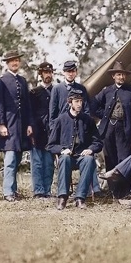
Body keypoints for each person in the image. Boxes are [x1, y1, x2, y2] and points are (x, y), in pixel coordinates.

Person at [49, 59, 102, 197]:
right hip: (63, 130)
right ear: (63, 73)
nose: (70, 74)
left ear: (76, 72)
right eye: (68, 71)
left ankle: (92, 190)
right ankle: (63, 194)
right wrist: (56, 130)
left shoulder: (81, 89)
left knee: (88, 156)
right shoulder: (57, 88)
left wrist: (84, 125)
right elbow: (52, 113)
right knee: (65, 159)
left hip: (80, 127)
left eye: (72, 71)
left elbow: (87, 110)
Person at [46, 88, 103, 210]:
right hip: (68, 158)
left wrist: (91, 149)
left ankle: (80, 198)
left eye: (81, 101)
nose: (79, 104)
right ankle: (62, 197)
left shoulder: (88, 120)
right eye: (76, 101)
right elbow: (50, 145)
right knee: (65, 158)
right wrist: (62, 150)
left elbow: (98, 142)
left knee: (89, 160)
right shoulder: (61, 120)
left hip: (81, 157)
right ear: (70, 102)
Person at [94, 60, 131, 198]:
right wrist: (103, 115)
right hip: (108, 128)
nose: (121, 77)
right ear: (113, 76)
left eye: (123, 75)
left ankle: (125, 190)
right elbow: (93, 104)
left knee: (124, 159)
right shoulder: (107, 91)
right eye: (118, 75)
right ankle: (113, 191)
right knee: (110, 158)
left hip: (124, 128)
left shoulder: (130, 91)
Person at [0, 50, 33, 202]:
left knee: (17, 158)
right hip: (8, 125)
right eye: (11, 61)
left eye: (16, 60)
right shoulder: (0, 80)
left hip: (21, 126)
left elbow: (27, 104)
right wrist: (1, 124)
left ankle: (13, 190)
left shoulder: (22, 81)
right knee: (9, 159)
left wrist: (29, 124)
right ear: (7, 63)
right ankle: (8, 192)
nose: (15, 63)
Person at [28, 61, 56, 199]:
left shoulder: (57, 91)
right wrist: (31, 128)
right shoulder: (34, 92)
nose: (48, 75)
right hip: (37, 131)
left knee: (49, 163)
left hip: (52, 132)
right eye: (45, 73)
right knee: (37, 162)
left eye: (50, 72)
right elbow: (30, 113)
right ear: (41, 74)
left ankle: (47, 190)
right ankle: (38, 190)